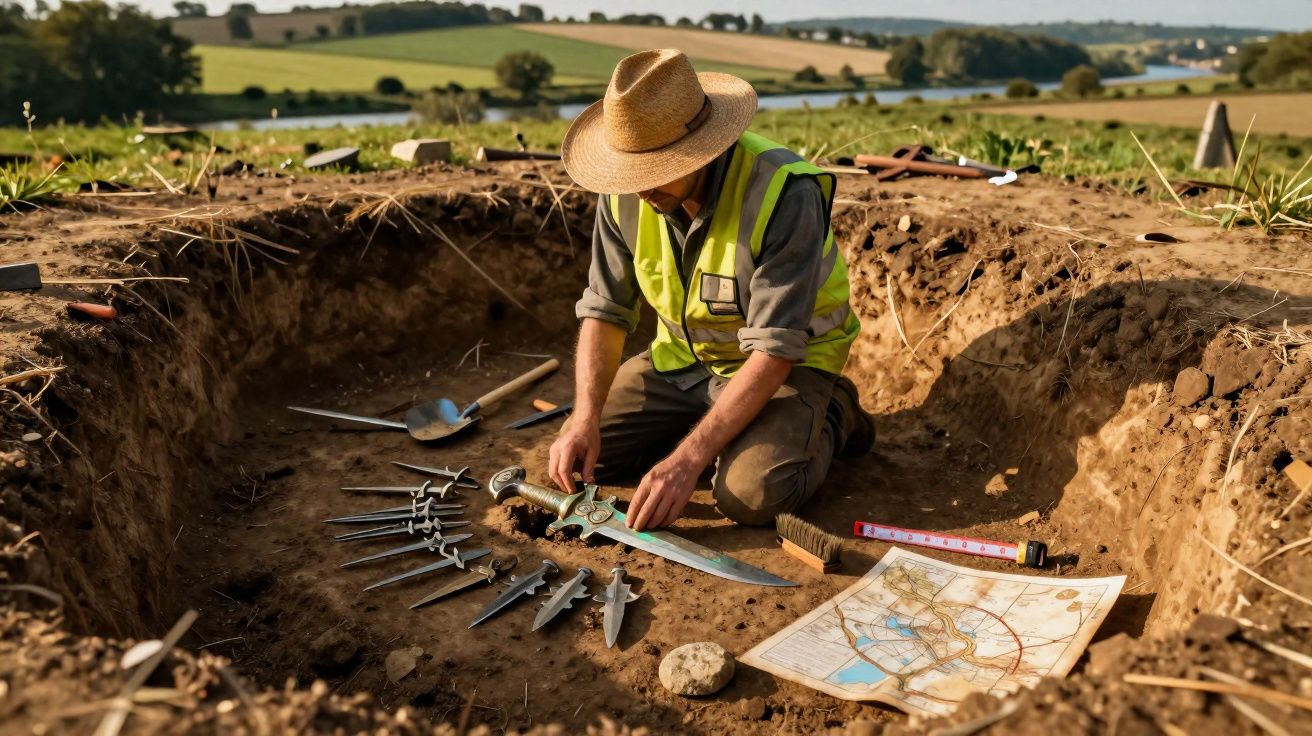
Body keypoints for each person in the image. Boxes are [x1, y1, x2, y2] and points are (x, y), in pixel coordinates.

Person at [549, 49, 873, 531]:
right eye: (632, 170)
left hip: (785, 369)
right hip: (684, 363)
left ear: (702, 147)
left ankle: (834, 411)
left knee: (752, 497)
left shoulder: (785, 191)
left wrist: (687, 461)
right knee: (584, 461)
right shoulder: (625, 193)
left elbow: (774, 351)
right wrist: (584, 416)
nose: (640, 188)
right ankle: (718, 430)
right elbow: (605, 310)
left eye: (655, 169)